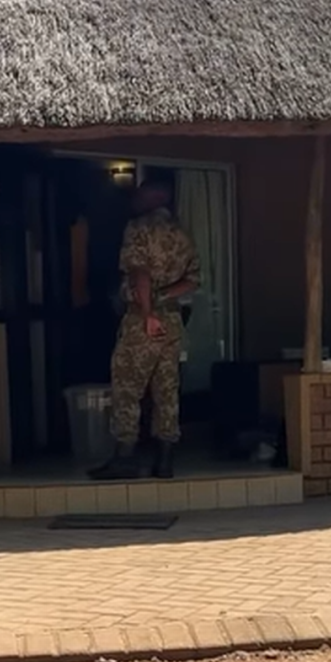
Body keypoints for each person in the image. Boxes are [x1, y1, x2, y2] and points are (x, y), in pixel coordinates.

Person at [90, 181, 201, 481]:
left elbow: (139, 271)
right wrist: (165, 299)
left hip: (143, 318)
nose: (135, 199)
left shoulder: (138, 228)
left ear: (155, 197)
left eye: (140, 194)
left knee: (127, 385)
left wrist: (148, 311)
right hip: (173, 320)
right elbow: (192, 281)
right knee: (166, 390)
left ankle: (124, 457)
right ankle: (165, 459)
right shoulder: (183, 234)